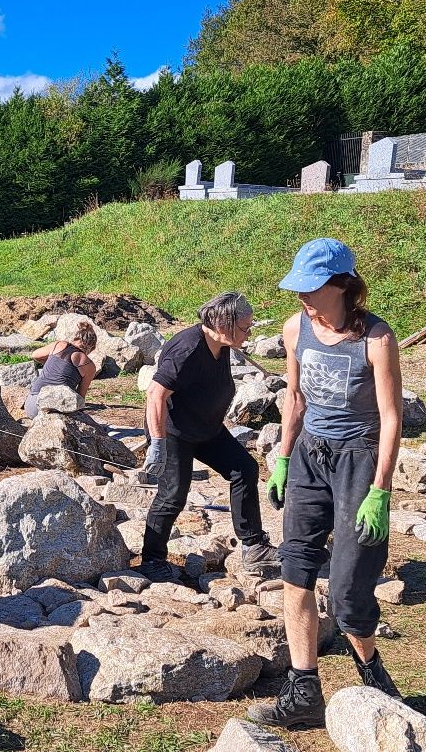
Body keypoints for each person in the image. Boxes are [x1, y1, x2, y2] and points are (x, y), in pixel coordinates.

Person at [248, 238, 403, 729]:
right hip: (310, 457)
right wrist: (283, 458)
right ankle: (303, 691)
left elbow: (391, 417)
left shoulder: (375, 339)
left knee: (348, 592)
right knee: (295, 572)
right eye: (298, 288)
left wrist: (380, 489)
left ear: (341, 285)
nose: (302, 298)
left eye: (311, 289)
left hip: (359, 459)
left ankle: (371, 671)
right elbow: (294, 397)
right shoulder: (296, 329)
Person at [136, 292, 280, 584]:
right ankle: (151, 559)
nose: (249, 333)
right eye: (245, 327)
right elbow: (155, 394)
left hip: (207, 428)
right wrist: (158, 444)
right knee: (173, 495)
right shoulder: (187, 350)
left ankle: (253, 546)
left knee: (245, 470)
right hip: (175, 431)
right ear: (224, 324)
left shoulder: (222, 343)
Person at [23, 322, 99, 418]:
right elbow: (80, 397)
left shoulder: (59, 344)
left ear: (76, 338)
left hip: (31, 405)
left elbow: (35, 355)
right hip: (56, 407)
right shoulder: (90, 366)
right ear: (92, 347)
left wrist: (50, 363)